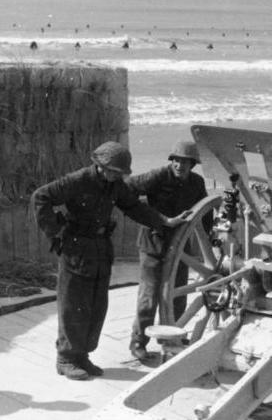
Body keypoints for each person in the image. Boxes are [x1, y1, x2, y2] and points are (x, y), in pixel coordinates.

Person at [32, 141, 188, 380]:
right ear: (99, 165)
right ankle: (65, 358)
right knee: (73, 305)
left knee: (96, 306)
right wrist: (54, 231)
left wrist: (163, 221)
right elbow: (41, 197)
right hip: (76, 249)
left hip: (101, 249)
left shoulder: (114, 184)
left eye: (119, 173)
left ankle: (82, 356)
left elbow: (133, 206)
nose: (116, 176)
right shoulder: (78, 180)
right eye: (113, 171)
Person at [125, 140, 210, 361]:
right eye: (177, 160)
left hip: (180, 246)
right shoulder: (157, 176)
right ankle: (138, 343)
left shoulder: (197, 183)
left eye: (185, 162)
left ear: (192, 164)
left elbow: (205, 213)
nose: (180, 165)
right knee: (148, 297)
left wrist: (209, 242)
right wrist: (155, 218)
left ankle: (173, 337)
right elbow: (127, 190)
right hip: (153, 243)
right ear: (171, 161)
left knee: (177, 294)